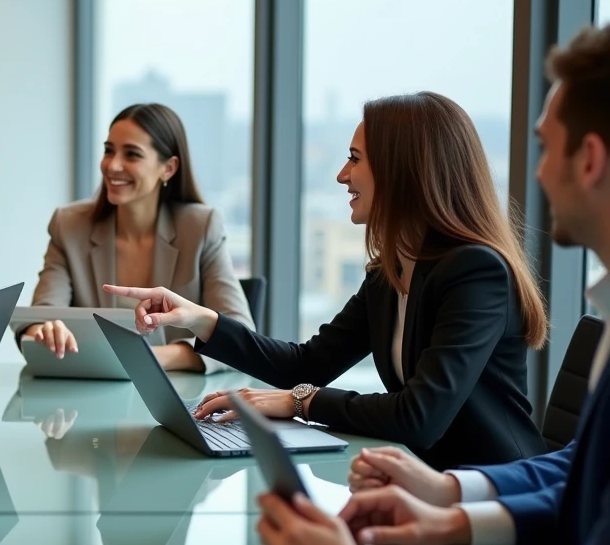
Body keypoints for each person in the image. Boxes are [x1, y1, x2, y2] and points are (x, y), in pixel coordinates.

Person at [251, 24, 610, 545]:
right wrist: (449, 504)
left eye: (544, 147)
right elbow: (578, 473)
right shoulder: (392, 272)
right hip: (458, 504)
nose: (534, 173)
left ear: (589, 160)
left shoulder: (473, 270)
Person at [107, 92, 548, 470]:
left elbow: (420, 416)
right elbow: (306, 363)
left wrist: (303, 402)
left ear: (402, 171)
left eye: (355, 160)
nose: (342, 175)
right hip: (423, 484)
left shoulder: (475, 271)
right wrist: (201, 320)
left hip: (495, 495)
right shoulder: (390, 273)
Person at [23, 103, 254, 372]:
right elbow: (42, 314)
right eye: (109, 151)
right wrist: (45, 330)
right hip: (90, 398)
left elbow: (240, 335)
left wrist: (150, 359)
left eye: (132, 155)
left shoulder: (201, 227)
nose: (113, 165)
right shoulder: (70, 225)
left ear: (168, 168)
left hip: (181, 397)